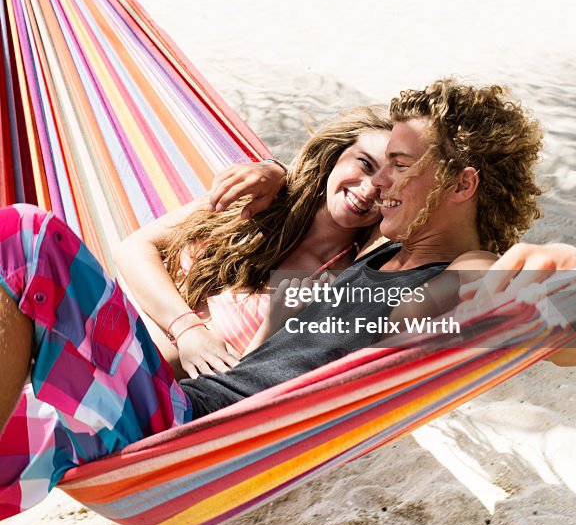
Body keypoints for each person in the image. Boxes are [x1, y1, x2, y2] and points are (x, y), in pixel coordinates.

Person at [0, 78, 576, 519]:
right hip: (164, 424)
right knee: (25, 441)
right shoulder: (378, 256)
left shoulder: (457, 270)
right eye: (380, 165)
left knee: (25, 235)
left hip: (188, 435)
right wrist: (277, 174)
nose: (380, 182)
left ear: (461, 186)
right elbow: (328, 211)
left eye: (402, 166)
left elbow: (560, 337)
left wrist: (568, 273)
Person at [114, 107, 393, 378]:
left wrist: (274, 324)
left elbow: (246, 391)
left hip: (135, 402)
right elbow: (135, 247)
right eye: (365, 164)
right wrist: (187, 329)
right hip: (97, 336)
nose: (368, 190)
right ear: (336, 154)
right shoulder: (260, 195)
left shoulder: (338, 286)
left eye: (389, 185)